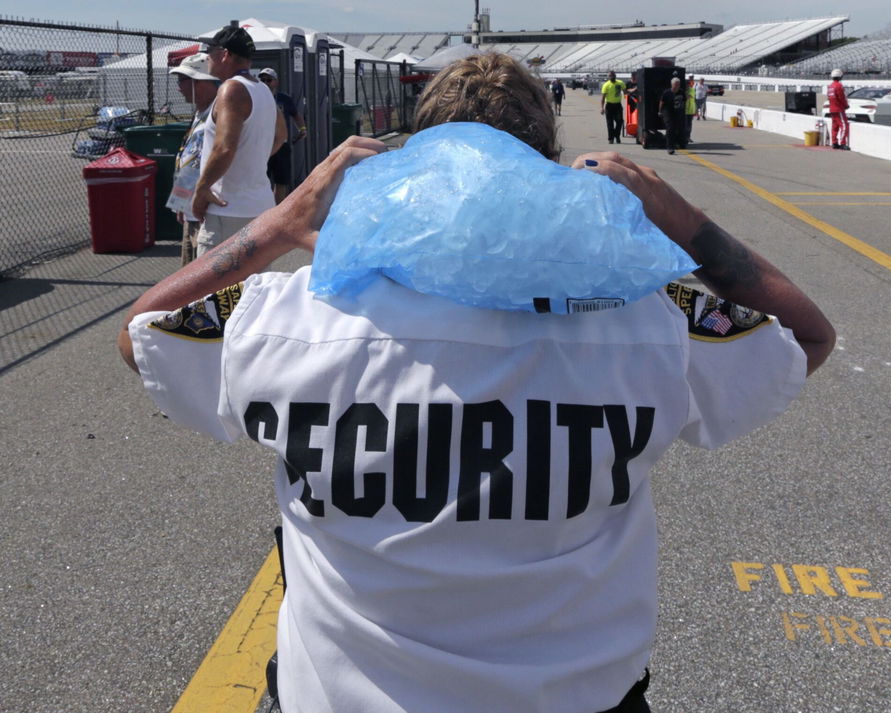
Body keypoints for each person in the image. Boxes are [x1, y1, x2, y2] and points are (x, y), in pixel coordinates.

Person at [117, 51, 835, 713]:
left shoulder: (294, 312)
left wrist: (281, 220)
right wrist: (675, 216)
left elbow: (142, 332)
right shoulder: (652, 319)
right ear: (551, 168)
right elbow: (806, 334)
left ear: (413, 161)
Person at [191, 25, 286, 256]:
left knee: (215, 289)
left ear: (225, 54)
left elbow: (224, 148)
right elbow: (281, 135)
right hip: (259, 206)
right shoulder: (263, 89)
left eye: (210, 52)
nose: (208, 59)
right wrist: (253, 158)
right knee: (251, 289)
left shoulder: (231, 89)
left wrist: (201, 189)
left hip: (228, 212)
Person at [165, 53, 220, 266]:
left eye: (182, 81)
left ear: (201, 82)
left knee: (200, 270)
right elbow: (190, 159)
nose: (179, 87)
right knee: (188, 266)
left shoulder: (217, 113)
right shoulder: (200, 113)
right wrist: (181, 201)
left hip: (204, 208)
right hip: (191, 206)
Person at [259, 67, 308, 204]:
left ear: (276, 82)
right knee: (262, 180)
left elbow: (296, 115)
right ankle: (264, 209)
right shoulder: (256, 97)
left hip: (281, 145)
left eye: (269, 80)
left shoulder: (284, 99)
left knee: (282, 180)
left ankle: (278, 208)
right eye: (262, 80)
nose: (265, 83)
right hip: (263, 145)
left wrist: (302, 129)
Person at [659, 76, 687, 155]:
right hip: (667, 112)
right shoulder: (667, 93)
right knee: (670, 128)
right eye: (676, 85)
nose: (677, 86)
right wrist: (659, 111)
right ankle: (670, 147)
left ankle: (680, 143)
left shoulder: (681, 92)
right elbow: (661, 102)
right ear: (672, 85)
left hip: (678, 112)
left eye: (678, 85)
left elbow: (684, 101)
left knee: (679, 128)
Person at [600, 70, 626, 144]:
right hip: (609, 105)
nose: (612, 77)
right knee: (610, 123)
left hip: (618, 105)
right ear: (608, 77)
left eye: (613, 75)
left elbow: (625, 92)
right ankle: (611, 139)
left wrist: (635, 89)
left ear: (615, 76)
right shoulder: (606, 85)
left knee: (620, 121)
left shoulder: (620, 83)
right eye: (610, 76)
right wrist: (602, 108)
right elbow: (603, 98)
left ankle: (616, 135)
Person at [827, 68, 850, 150]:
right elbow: (842, 97)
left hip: (832, 109)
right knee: (844, 125)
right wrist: (846, 105)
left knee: (834, 126)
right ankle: (843, 143)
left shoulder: (830, 86)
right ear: (840, 76)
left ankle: (834, 142)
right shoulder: (839, 86)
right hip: (839, 109)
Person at [684, 77, 697, 145]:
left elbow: (691, 97)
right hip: (685, 110)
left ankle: (688, 137)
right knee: (685, 125)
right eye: (686, 84)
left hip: (691, 110)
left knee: (689, 125)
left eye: (688, 84)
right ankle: (685, 137)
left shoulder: (692, 90)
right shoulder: (682, 91)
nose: (687, 85)